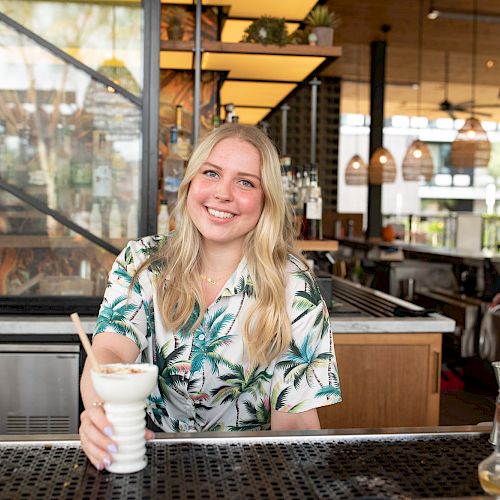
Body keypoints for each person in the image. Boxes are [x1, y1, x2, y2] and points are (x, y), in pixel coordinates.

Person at [79, 123, 341, 470]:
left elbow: (294, 422)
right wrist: (100, 413)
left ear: (267, 201)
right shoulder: (142, 263)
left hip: (255, 470)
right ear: (190, 183)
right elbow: (110, 349)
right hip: (152, 459)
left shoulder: (294, 286)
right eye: (212, 173)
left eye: (246, 182)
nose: (223, 193)